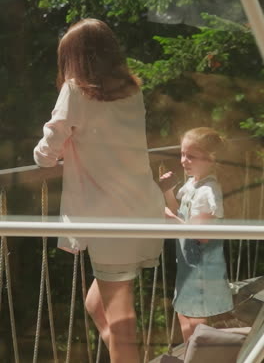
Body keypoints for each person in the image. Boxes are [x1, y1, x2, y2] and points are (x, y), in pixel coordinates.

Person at [33, 18, 165, 363]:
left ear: (75, 58)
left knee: (121, 323)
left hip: (112, 220)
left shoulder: (75, 91)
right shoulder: (132, 90)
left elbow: (49, 148)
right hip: (140, 207)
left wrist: (45, 154)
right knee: (98, 306)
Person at [159, 127, 233, 343]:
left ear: (211, 159)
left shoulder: (207, 192)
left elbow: (203, 237)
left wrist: (172, 220)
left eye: (191, 156)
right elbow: (181, 213)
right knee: (184, 311)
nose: (184, 161)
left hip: (201, 268)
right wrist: (168, 193)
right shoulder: (192, 185)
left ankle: (200, 355)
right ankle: (192, 354)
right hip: (188, 264)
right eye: (182, 154)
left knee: (196, 319)